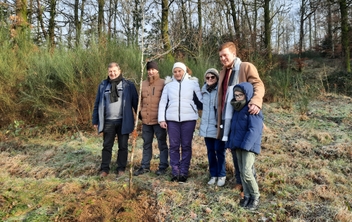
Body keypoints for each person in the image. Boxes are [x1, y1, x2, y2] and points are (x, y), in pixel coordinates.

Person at [216, 42, 265, 192]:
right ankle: (239, 180)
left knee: (246, 149)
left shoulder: (245, 67)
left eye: (225, 55)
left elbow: (258, 85)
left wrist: (256, 102)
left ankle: (250, 184)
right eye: (220, 56)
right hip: (228, 117)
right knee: (234, 149)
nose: (223, 58)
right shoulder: (223, 72)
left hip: (243, 117)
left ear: (234, 54)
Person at [92, 62, 138, 178]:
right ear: (108, 72)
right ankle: (104, 169)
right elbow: (97, 103)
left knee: (123, 146)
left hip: (124, 121)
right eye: (110, 72)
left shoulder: (128, 85)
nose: (112, 73)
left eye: (114, 71)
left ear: (119, 71)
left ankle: (121, 168)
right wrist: (95, 120)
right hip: (108, 121)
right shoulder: (103, 85)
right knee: (107, 146)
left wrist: (141, 117)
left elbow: (136, 103)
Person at [158, 62, 202, 183]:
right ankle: (175, 171)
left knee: (186, 146)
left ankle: (184, 172)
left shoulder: (193, 83)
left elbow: (200, 100)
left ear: (184, 71)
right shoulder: (168, 85)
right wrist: (162, 119)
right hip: (172, 120)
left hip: (189, 119)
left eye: (179, 71)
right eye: (175, 71)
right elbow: (163, 103)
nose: (177, 73)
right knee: (174, 146)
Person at [225, 82, 263, 211]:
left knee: (247, 172)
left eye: (240, 95)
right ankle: (247, 196)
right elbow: (233, 129)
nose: (238, 97)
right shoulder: (237, 109)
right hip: (238, 146)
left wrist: (246, 145)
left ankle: (255, 196)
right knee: (241, 172)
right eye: (236, 95)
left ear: (247, 95)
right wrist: (230, 144)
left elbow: (254, 130)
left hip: (248, 147)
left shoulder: (252, 109)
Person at [134, 61, 169, 176]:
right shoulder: (143, 84)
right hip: (146, 121)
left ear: (157, 70)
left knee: (162, 144)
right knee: (146, 144)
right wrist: (139, 113)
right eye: (149, 69)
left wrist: (165, 117)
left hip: (159, 120)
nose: (151, 71)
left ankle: (163, 166)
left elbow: (168, 101)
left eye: (153, 69)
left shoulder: (164, 83)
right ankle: (144, 167)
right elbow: (140, 101)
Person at [199, 68, 226, 187]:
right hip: (206, 127)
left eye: (212, 77)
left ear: (217, 78)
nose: (210, 79)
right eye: (207, 77)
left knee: (219, 151)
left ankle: (222, 174)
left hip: (217, 127)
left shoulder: (221, 91)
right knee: (210, 152)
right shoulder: (203, 91)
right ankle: (213, 174)